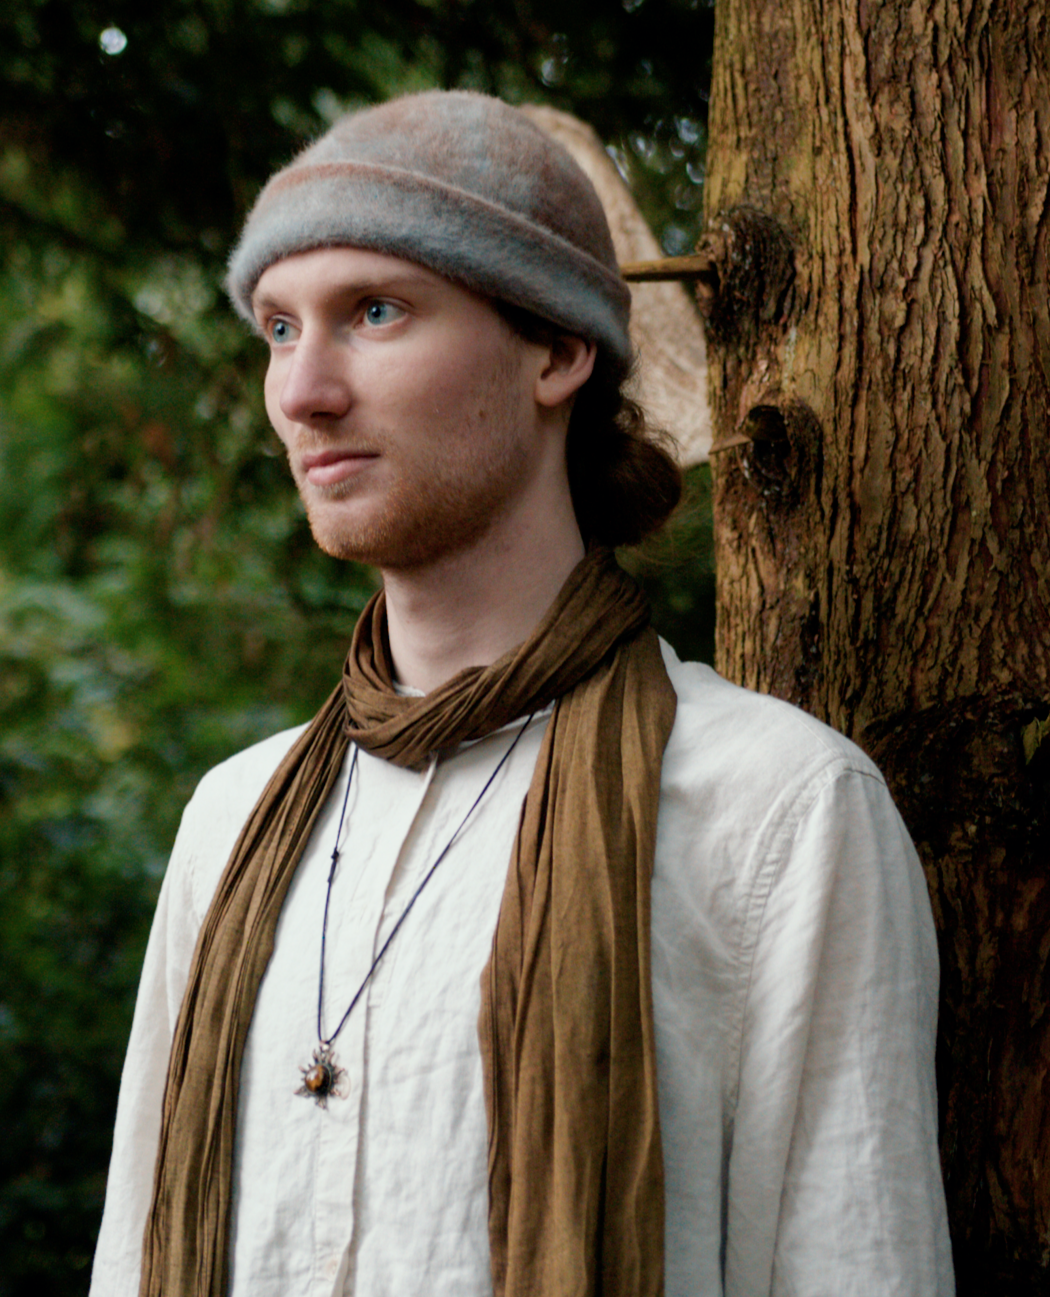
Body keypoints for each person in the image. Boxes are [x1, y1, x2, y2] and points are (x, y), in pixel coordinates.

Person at [88, 90, 953, 1297]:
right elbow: (136, 1256)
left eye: (374, 312)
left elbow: (858, 1261)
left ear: (556, 349)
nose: (303, 392)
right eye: (279, 330)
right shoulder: (231, 825)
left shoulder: (779, 810)